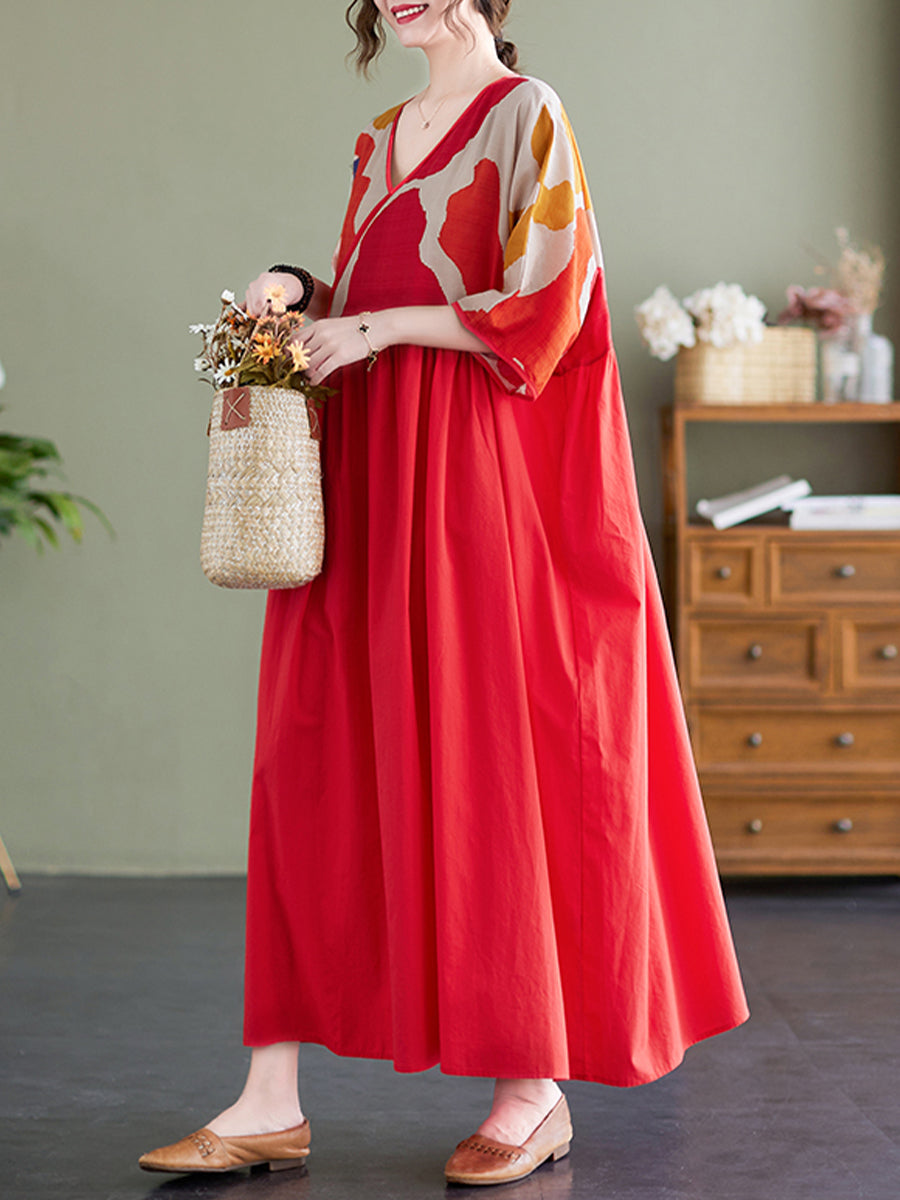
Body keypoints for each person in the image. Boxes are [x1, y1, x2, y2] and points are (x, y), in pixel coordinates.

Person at [140, 0, 749, 1186]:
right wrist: (301, 290)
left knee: (486, 754)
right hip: (368, 469)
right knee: (311, 756)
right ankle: (271, 1096)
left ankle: (533, 1089)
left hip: (469, 470)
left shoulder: (528, 112)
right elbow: (380, 281)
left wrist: (369, 328)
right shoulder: (382, 132)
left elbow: (547, 302)